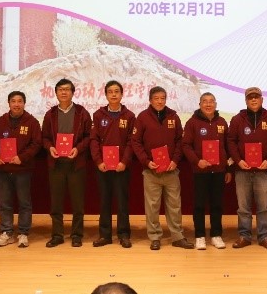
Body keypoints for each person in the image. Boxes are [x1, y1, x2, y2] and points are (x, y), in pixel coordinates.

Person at [131, 86, 194, 250]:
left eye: (162, 98)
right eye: (156, 98)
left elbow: (180, 141)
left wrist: (175, 160)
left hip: (171, 170)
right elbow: (135, 142)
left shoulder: (173, 116)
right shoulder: (142, 117)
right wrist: (146, 161)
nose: (160, 101)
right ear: (150, 100)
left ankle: (177, 236)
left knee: (174, 205)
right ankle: (154, 237)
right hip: (151, 171)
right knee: (152, 206)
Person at [227, 87, 267, 249]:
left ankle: (264, 236)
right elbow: (231, 141)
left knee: (263, 206)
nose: (253, 100)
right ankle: (244, 236)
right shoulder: (237, 119)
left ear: (262, 99)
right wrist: (238, 161)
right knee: (243, 207)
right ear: (246, 100)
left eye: (256, 97)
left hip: (263, 170)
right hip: (242, 170)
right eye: (250, 97)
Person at [42, 78, 92, 247]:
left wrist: (78, 148)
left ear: (72, 92)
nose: (64, 92)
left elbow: (89, 137)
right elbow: (45, 138)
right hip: (56, 164)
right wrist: (50, 147)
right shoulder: (50, 114)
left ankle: (77, 235)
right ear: (56, 93)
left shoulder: (82, 113)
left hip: (76, 164)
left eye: (67, 89)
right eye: (60, 89)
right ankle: (57, 235)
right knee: (56, 203)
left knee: (78, 203)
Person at [0, 91, 42, 248]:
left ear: (24, 103)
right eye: (13, 101)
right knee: (5, 203)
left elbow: (36, 144)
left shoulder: (32, 122)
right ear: (9, 103)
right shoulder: (1, 121)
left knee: (24, 203)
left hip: (23, 169)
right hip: (3, 170)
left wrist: (22, 157)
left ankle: (23, 233)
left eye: (20, 101)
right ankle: (7, 232)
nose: (16, 104)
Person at [182, 92, 231, 250]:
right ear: (200, 104)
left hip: (219, 171)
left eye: (211, 101)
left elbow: (227, 147)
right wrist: (197, 161)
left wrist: (228, 169)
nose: (208, 104)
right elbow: (186, 145)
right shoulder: (192, 123)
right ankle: (200, 236)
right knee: (199, 205)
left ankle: (216, 235)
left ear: (215, 104)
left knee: (217, 204)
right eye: (205, 101)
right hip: (200, 171)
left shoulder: (222, 122)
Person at [89, 81, 135, 249]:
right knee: (104, 201)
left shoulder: (129, 116)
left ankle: (124, 235)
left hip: (122, 167)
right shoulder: (98, 115)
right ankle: (105, 235)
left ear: (122, 94)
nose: (114, 94)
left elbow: (131, 142)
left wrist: (124, 162)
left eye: (117, 91)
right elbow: (93, 140)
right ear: (106, 95)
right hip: (103, 167)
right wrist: (98, 161)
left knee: (122, 202)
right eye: (110, 92)